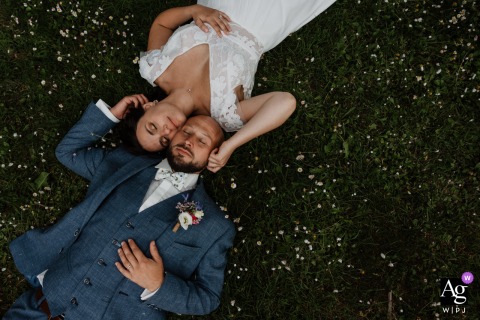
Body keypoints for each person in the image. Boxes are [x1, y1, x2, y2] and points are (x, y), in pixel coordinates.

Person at [4, 95, 236, 320]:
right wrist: (112, 114)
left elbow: (208, 298)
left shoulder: (215, 226)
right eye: (186, 131)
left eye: (203, 141)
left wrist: (159, 284)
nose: (189, 141)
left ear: (214, 156)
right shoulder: (123, 163)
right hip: (38, 308)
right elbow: (68, 152)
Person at [132, 0, 337, 172]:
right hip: (265, 19)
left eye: (153, 127)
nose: (166, 130)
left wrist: (193, 11)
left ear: (148, 107)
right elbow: (285, 102)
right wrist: (231, 145)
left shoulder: (153, 69)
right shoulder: (226, 113)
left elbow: (162, 25)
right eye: (166, 140)